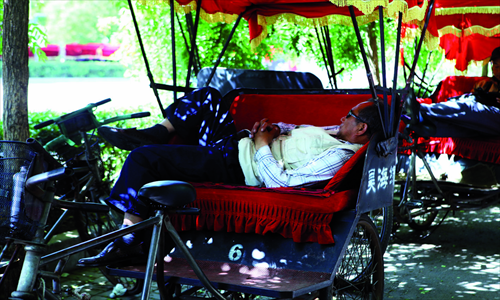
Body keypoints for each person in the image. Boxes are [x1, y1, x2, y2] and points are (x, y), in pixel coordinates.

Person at [77, 87, 382, 267]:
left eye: (350, 115)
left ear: (362, 129)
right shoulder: (333, 133)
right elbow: (297, 131)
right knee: (208, 96)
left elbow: (284, 183)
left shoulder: (339, 155)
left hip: (235, 166)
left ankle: (128, 239)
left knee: (142, 159)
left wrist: (262, 144)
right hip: (234, 145)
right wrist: (270, 129)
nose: (343, 117)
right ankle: (153, 134)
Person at [406, 46, 500, 137]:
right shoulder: (488, 83)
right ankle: (428, 127)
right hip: (488, 122)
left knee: (470, 107)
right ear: (492, 67)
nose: (499, 71)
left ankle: (419, 110)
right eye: (496, 66)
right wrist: (482, 92)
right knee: (467, 127)